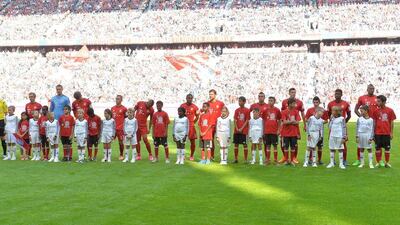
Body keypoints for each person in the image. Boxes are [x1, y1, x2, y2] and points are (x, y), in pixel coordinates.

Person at [353, 84, 378, 166]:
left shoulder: (376, 98)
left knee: (376, 142)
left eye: (373, 88)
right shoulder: (362, 98)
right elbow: (356, 109)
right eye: (370, 88)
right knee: (361, 144)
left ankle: (379, 160)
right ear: (367, 89)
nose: (372, 90)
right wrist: (361, 117)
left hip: (373, 122)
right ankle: (358, 160)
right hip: (364, 124)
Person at [280, 88, 305, 163]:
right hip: (286, 129)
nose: (293, 93)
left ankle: (294, 158)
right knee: (285, 144)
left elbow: (299, 119)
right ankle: (285, 157)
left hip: (295, 129)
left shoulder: (299, 103)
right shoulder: (284, 102)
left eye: (294, 92)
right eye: (292, 92)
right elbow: (283, 119)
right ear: (289, 93)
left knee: (294, 144)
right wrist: (290, 122)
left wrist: (304, 124)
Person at [327, 89, 351, 165]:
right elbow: (328, 114)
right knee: (332, 143)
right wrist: (332, 121)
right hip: (333, 127)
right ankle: (332, 161)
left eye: (338, 93)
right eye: (336, 93)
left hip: (342, 126)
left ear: (341, 94)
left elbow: (349, 114)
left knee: (343, 143)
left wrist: (344, 122)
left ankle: (344, 160)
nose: (337, 94)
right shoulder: (330, 104)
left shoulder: (346, 103)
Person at [372, 95, 396, 168]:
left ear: (384, 102)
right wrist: (373, 133)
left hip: (386, 133)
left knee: (387, 148)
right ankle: (378, 162)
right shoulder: (375, 111)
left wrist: (391, 132)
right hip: (377, 133)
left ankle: (387, 162)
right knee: (377, 148)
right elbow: (374, 123)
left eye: (379, 101)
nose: (377, 103)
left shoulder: (390, 110)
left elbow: (391, 122)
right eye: (377, 101)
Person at [305, 96, 328, 165]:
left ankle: (319, 160)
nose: (315, 104)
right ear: (313, 102)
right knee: (311, 145)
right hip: (312, 132)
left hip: (319, 132)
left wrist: (319, 122)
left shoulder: (323, 110)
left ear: (319, 102)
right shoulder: (309, 110)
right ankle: (310, 159)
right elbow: (306, 120)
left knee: (319, 146)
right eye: (314, 102)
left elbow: (326, 120)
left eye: (317, 102)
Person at [280, 98, 301, 166]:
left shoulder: (296, 111)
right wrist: (292, 121)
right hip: (285, 133)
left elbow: (298, 121)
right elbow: (284, 122)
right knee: (286, 147)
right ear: (290, 104)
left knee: (293, 147)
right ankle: (286, 160)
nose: (295, 105)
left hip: (293, 133)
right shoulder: (283, 112)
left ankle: (292, 160)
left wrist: (289, 122)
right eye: (294, 103)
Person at [180, 94, 199, 161]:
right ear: (186, 98)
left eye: (191, 98)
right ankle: (183, 155)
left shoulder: (195, 107)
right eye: (188, 98)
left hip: (191, 126)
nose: (190, 99)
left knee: (192, 142)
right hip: (183, 126)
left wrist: (193, 122)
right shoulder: (182, 106)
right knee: (182, 141)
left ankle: (191, 155)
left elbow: (197, 116)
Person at [262, 96, 281, 164]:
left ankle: (275, 160)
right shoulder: (265, 110)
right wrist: (263, 131)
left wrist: (279, 129)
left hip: (274, 131)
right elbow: (263, 121)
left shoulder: (277, 110)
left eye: (271, 100)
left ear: (274, 101)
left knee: (275, 146)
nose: (270, 102)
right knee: (268, 145)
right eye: (269, 100)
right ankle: (268, 160)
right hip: (267, 131)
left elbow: (279, 120)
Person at [208, 89, 225, 160]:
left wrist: (223, 120)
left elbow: (226, 112)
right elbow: (203, 111)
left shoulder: (220, 103)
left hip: (219, 125)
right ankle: (212, 156)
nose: (210, 95)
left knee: (221, 141)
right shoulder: (207, 103)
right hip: (210, 126)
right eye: (209, 94)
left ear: (215, 95)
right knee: (210, 141)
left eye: (211, 94)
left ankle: (223, 157)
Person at [233, 96, 250, 163]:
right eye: (239, 101)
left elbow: (247, 120)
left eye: (241, 101)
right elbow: (235, 120)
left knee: (245, 144)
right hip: (236, 130)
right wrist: (237, 128)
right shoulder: (236, 110)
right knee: (236, 144)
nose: (239, 102)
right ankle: (235, 159)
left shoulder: (247, 110)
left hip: (244, 131)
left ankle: (245, 159)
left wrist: (242, 128)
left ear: (244, 102)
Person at [111, 95, 127, 160]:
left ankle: (121, 155)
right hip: (113, 128)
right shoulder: (112, 108)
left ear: (121, 100)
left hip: (120, 129)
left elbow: (126, 118)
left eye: (118, 99)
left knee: (120, 142)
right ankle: (107, 155)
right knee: (108, 141)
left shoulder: (124, 108)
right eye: (116, 99)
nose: (117, 100)